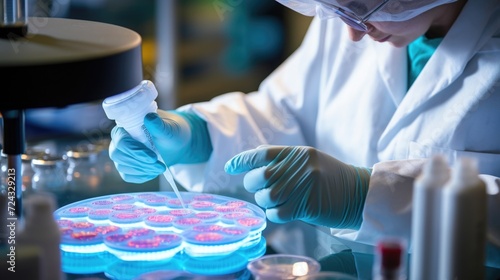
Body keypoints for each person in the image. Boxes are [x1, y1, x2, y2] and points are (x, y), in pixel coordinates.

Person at [109, 0, 500, 269]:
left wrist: (367, 197)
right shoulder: (360, 23)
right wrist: (199, 136)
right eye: (341, 11)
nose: (353, 34)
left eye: (365, 9)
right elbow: (286, 112)